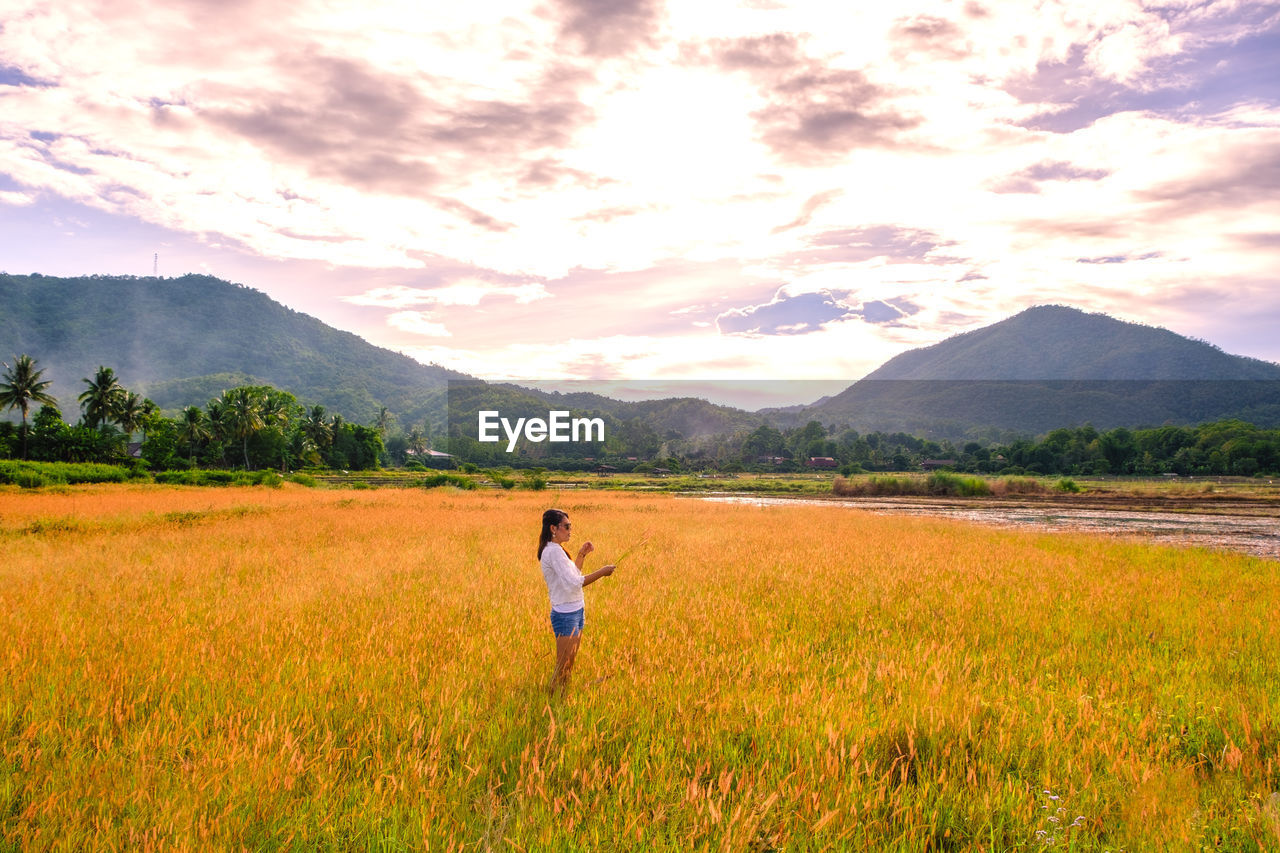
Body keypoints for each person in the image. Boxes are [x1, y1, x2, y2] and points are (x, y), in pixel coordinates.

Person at [537, 508, 615, 694]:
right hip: (565, 614)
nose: (570, 530)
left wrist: (581, 555)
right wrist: (603, 572)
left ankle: (562, 696)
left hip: (575, 610)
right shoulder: (553, 552)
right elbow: (575, 583)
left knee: (569, 664)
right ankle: (553, 699)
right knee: (563, 666)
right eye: (567, 526)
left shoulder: (558, 550)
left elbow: (572, 574)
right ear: (553, 528)